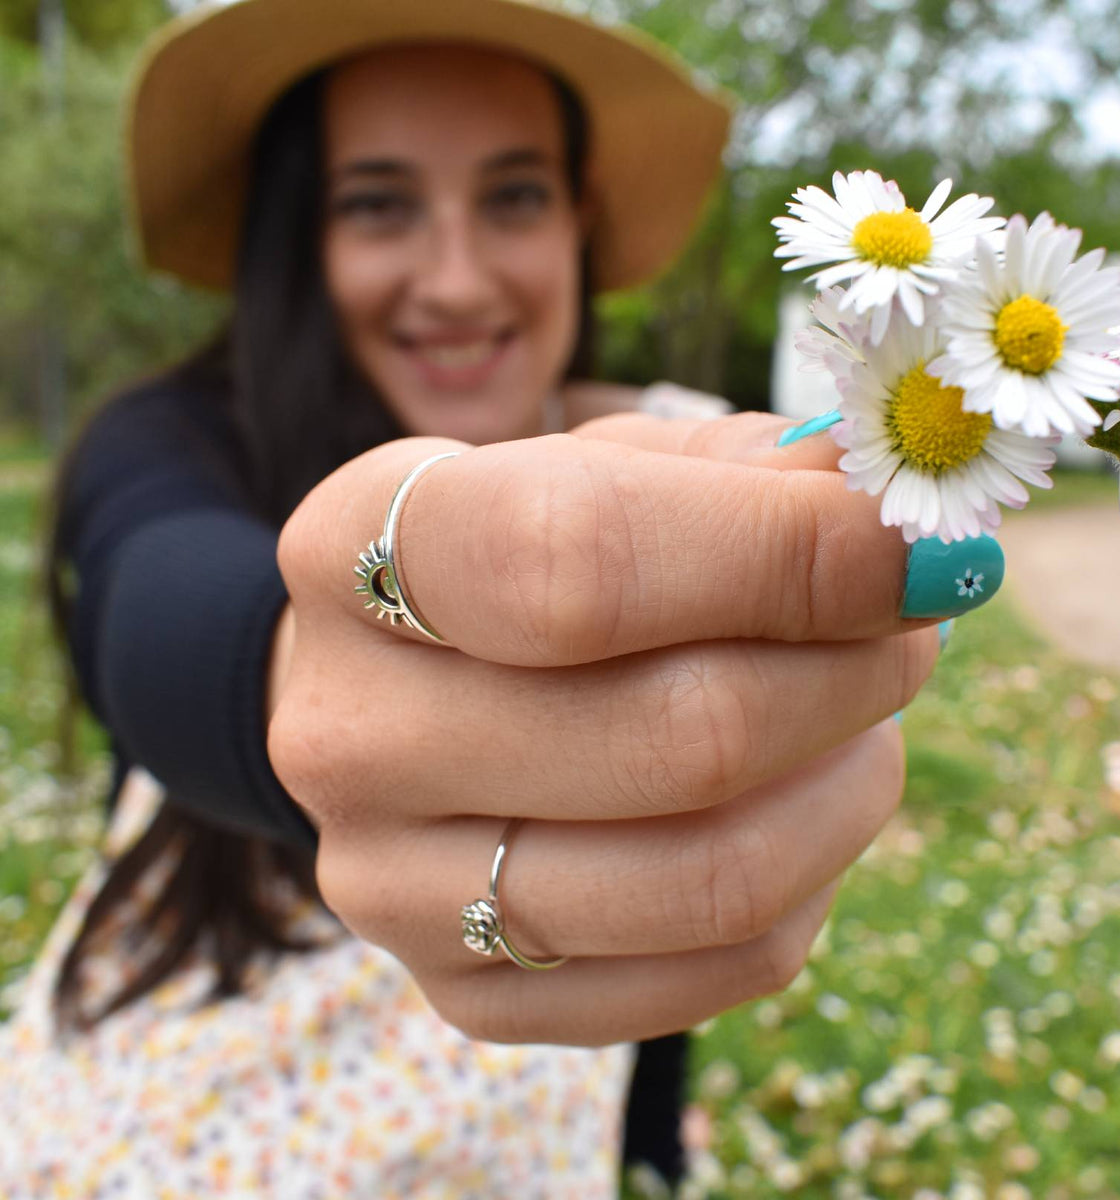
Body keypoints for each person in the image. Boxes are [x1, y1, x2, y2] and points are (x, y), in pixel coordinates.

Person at [0, 0, 1000, 1195]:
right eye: (378, 202)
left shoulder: (672, 448)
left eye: (514, 196)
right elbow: (154, 609)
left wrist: (651, 1125)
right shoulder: (172, 440)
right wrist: (304, 678)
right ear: (301, 233)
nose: (459, 278)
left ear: (578, 222)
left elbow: (694, 839)